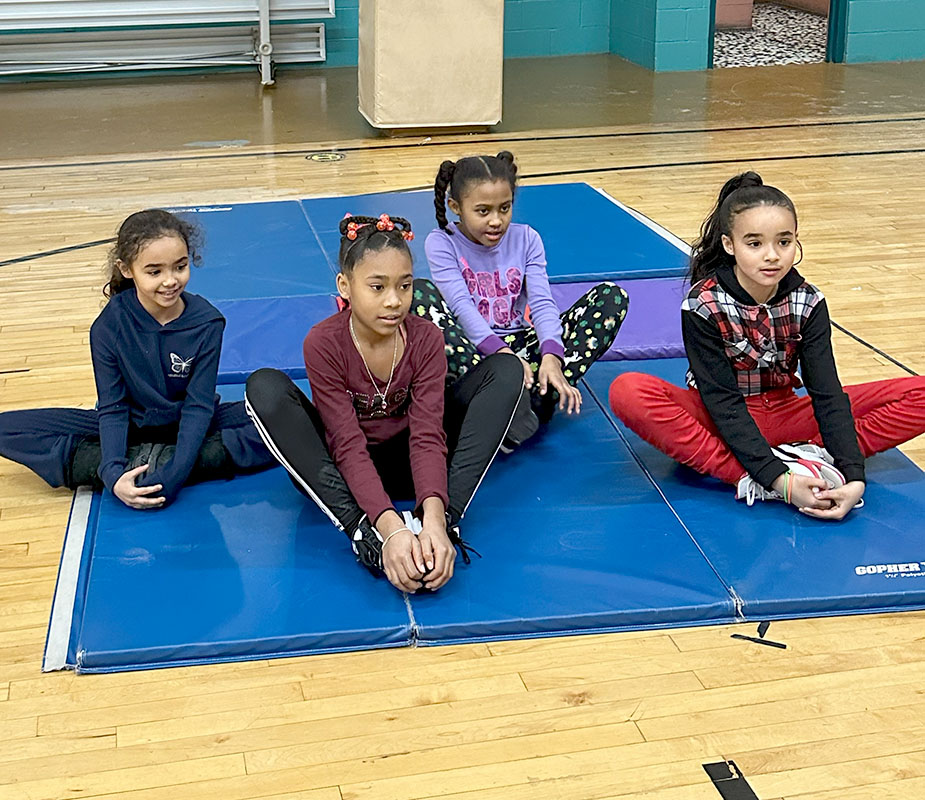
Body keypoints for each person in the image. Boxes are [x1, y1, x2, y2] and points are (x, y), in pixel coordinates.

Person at [609, 171, 925, 520]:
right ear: (730, 245)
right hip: (719, 416)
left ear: (796, 241)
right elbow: (722, 400)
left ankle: (816, 457)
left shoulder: (809, 301)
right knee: (628, 390)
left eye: (784, 242)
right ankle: (745, 474)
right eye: (755, 243)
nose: (772, 256)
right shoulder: (703, 303)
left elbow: (826, 393)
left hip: (787, 414)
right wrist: (778, 481)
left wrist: (853, 477)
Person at [244, 213, 523, 593]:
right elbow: (346, 443)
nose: (394, 301)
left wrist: (435, 520)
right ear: (345, 285)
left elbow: (427, 436)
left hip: (412, 461)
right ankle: (363, 533)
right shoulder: (323, 344)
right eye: (377, 287)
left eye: (404, 286)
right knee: (264, 387)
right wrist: (388, 529)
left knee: (506, 370)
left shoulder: (424, 339)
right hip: (346, 472)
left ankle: (443, 522)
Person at [0, 209, 274, 509]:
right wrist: (113, 473)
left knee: (290, 418)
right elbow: (113, 407)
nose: (170, 281)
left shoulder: (207, 322)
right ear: (127, 269)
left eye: (180, 267)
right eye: (154, 272)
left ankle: (150, 463)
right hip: (132, 424)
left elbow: (198, 406)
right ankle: (155, 462)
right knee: (7, 428)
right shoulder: (109, 326)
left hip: (193, 421)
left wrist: (175, 475)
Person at [420, 150, 629, 447]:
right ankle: (506, 403)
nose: (496, 221)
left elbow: (543, 303)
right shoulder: (441, 242)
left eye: (504, 208)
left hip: (520, 347)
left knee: (612, 297)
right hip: (475, 354)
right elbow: (460, 307)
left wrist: (551, 357)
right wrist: (504, 360)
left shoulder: (527, 239)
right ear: (456, 207)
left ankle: (531, 399)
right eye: (483, 211)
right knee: (419, 294)